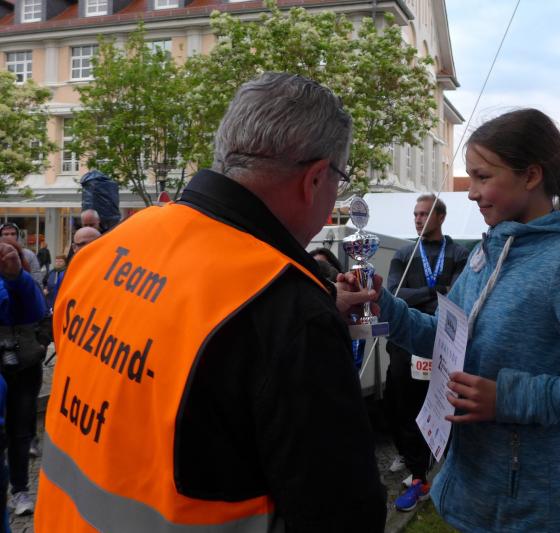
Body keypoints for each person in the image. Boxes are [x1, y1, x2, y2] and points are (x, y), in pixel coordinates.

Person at [35, 72, 386, 532]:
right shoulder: (289, 311)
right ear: (316, 177)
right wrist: (304, 329)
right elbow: (343, 515)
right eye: (339, 179)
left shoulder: (109, 247)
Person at [367, 109, 560, 532]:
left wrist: (507, 398)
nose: (472, 193)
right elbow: (445, 338)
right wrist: (381, 303)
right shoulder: (485, 251)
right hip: (472, 491)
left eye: (482, 177)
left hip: (531, 509)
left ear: (531, 176)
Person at [384, 194, 468, 510]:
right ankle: (418, 472)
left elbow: (456, 298)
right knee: (405, 406)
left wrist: (420, 297)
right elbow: (395, 293)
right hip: (406, 343)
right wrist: (434, 290)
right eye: (416, 214)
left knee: (444, 405)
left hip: (443, 343)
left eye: (424, 214)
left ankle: (447, 471)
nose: (418, 219)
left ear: (440, 217)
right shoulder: (405, 254)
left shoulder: (458, 253)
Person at [0, 241, 47, 519]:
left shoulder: (24, 283)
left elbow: (36, 310)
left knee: (19, 433)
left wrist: (15, 275)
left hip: (24, 368)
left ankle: (20, 490)